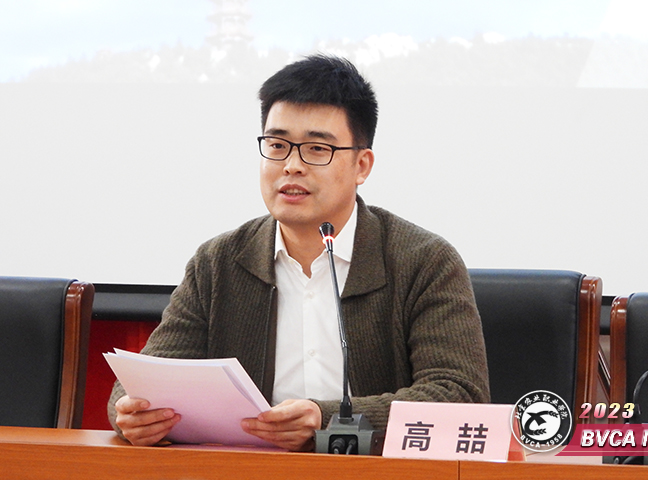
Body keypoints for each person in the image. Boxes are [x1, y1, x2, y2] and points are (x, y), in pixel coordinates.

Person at [108, 54, 490, 452]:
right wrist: (132, 413)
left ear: (362, 165)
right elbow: (141, 382)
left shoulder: (424, 261)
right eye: (277, 145)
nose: (291, 166)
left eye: (316, 149)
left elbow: (460, 394)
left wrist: (328, 421)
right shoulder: (217, 263)